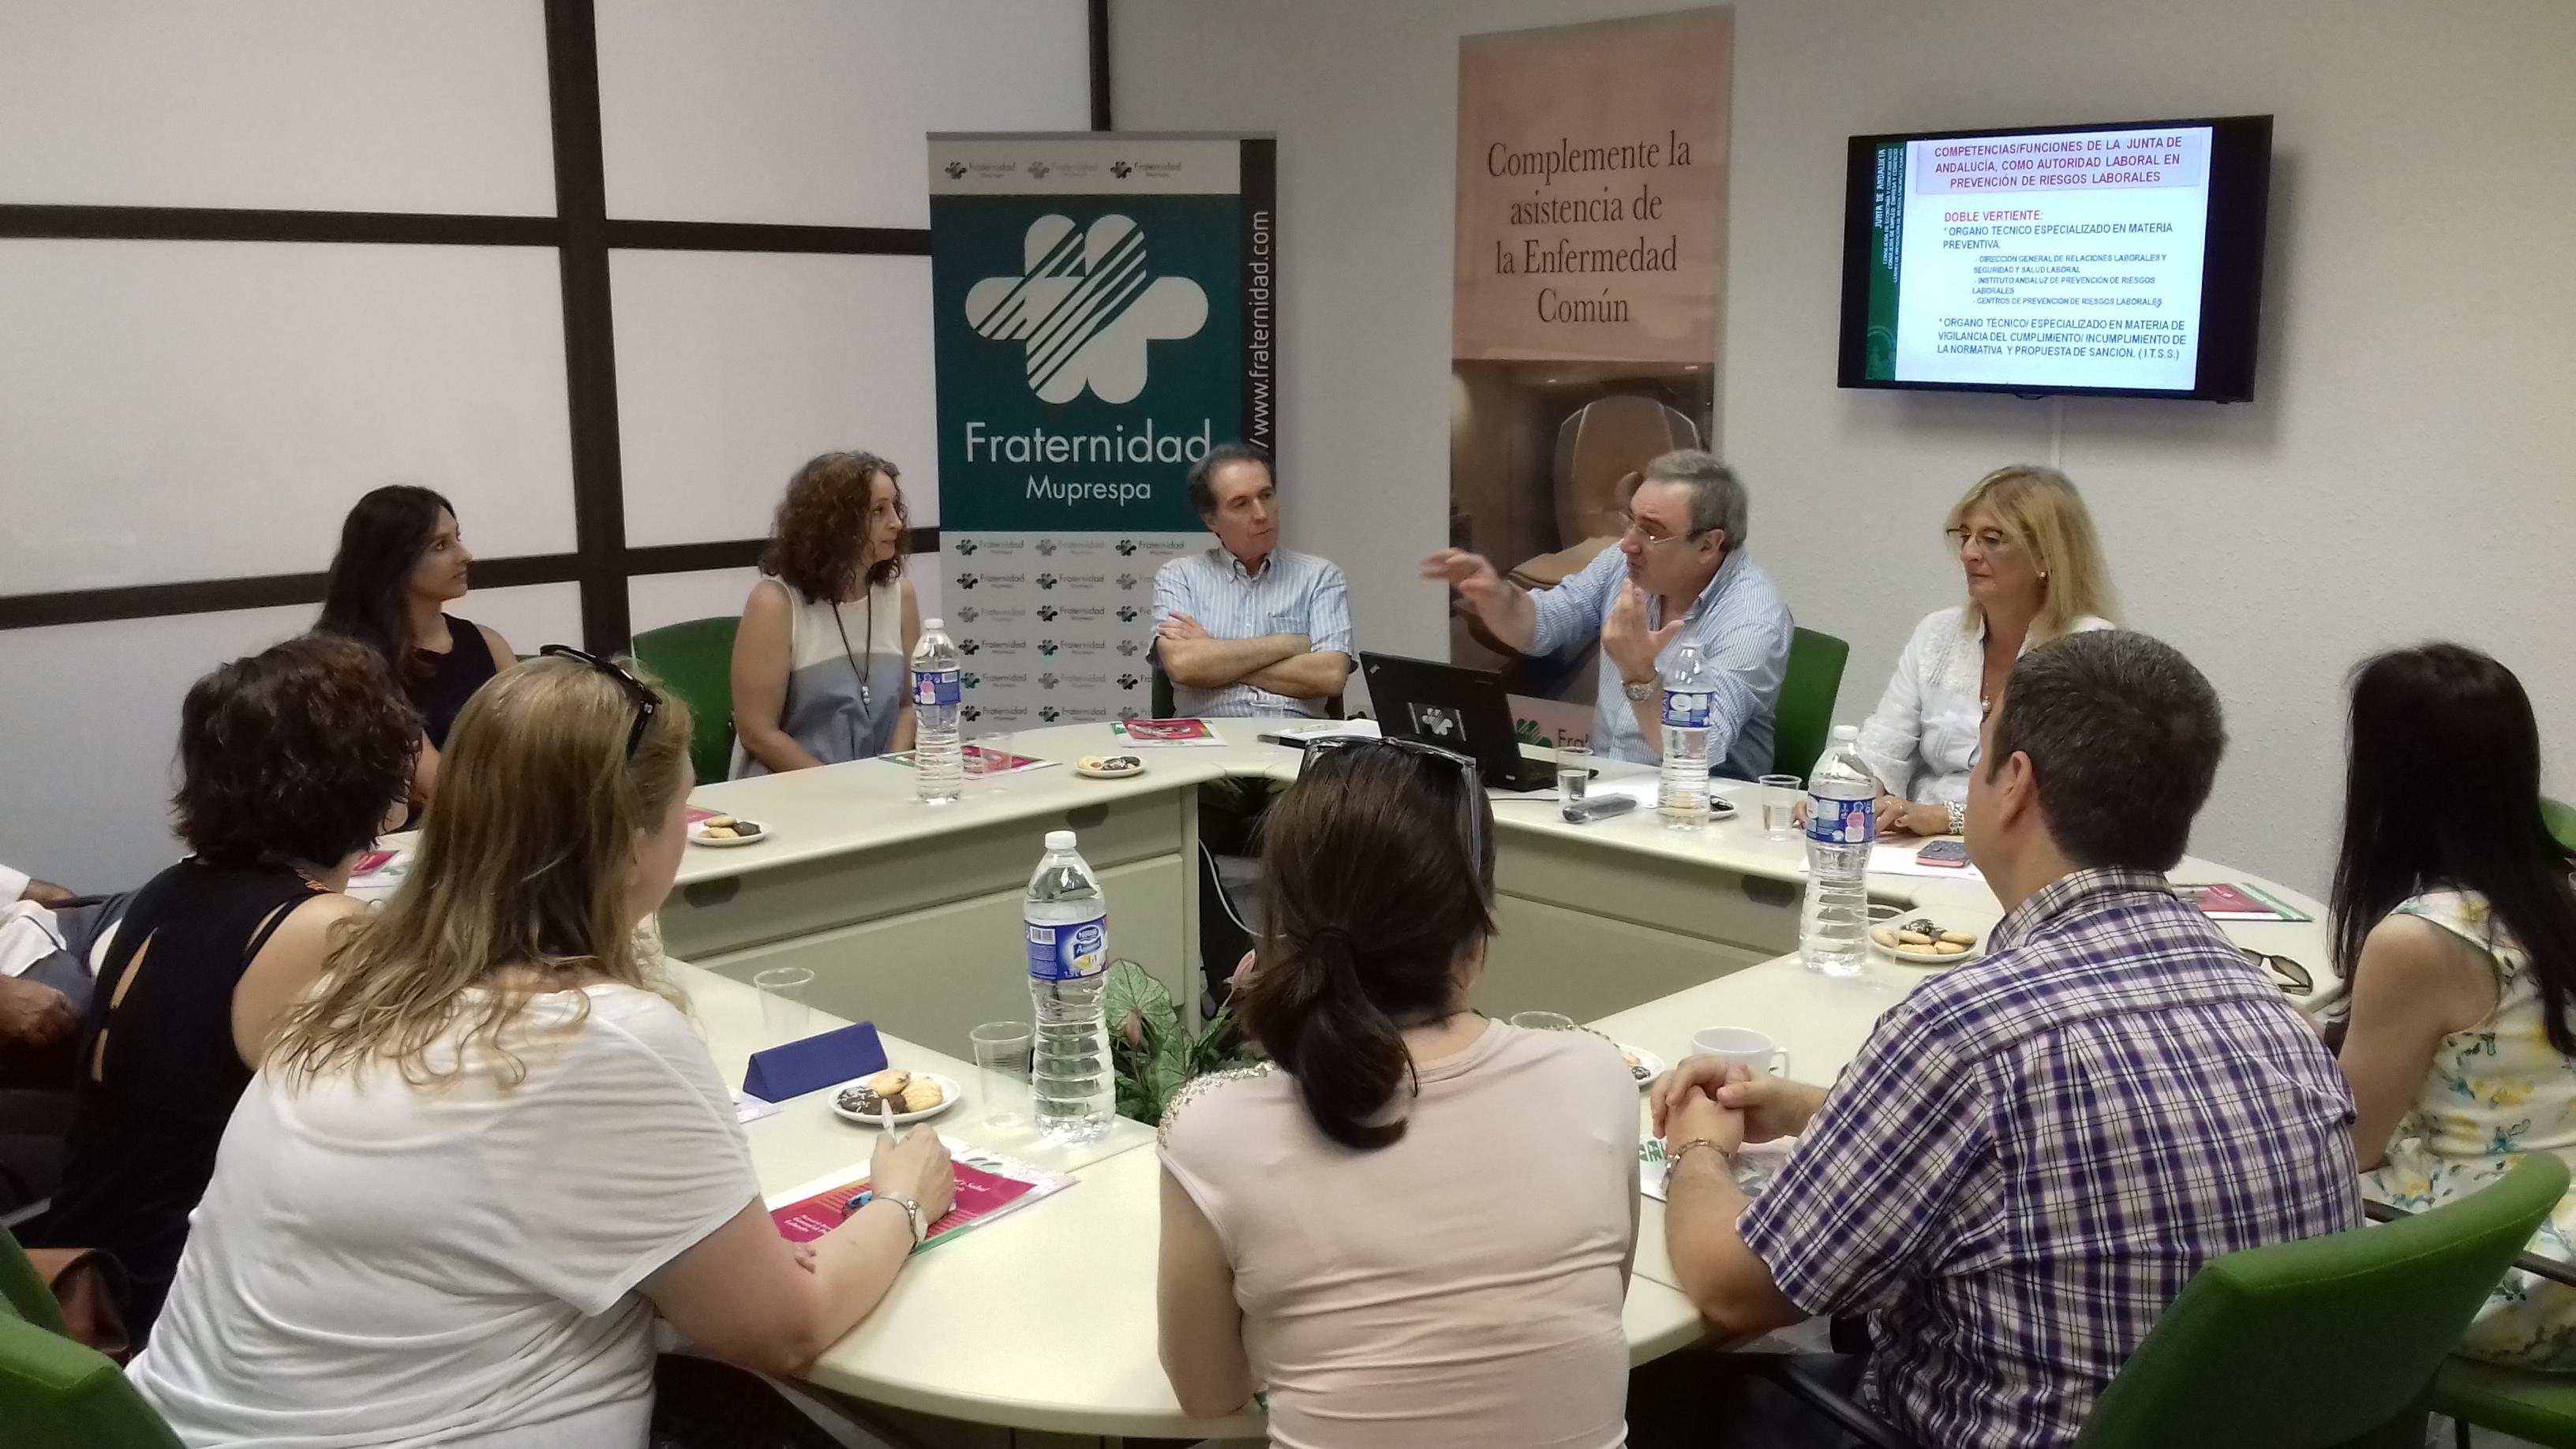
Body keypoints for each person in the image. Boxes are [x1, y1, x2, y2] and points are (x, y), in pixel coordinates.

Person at [130, 652, 957, 1447]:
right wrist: (901, 1203)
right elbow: (783, 1330)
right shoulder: (602, 1039)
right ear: (627, 844)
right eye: (681, 808)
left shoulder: (346, 990)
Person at [1648, 631, 2357, 1447]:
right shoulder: (2276, 1014)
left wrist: (1698, 1147)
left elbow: (1736, 1288)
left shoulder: (1966, 1035)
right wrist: (1815, 1107)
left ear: (2014, 785)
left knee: (1671, 1387)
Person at [1157, 738, 1638, 1447]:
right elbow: (1581, 1321)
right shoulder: (1599, 1079)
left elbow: (1208, 1396)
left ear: (1279, 932)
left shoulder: (1213, 1130)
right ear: (1472, 939)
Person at [28, 635, 416, 1341]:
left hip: (86, 1266)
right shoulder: (321, 929)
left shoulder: (170, 888)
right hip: (177, 1302)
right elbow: (388, 1156)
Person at [2331, 644, 2576, 1368]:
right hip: (2559, 1221)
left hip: (2518, 1273)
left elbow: (2352, 1147)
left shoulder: (2422, 939)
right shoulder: (2558, 886)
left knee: (2248, 1206)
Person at [1422, 450, 1792, 777]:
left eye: (1652, 532)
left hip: (1703, 807)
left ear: (1709, 545)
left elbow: (1697, 752)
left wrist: (1639, 674)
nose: (1628, 543)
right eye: (1631, 520)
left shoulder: (1752, 618)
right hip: (1607, 786)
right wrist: (1497, 595)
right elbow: (1544, 625)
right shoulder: (1622, 564)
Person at [1855, 465, 2117, 835]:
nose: (1968, 553)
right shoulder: (1937, 635)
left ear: (2047, 556)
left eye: (1992, 539)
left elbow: (2072, 799)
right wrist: (1839, 793)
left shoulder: (2089, 648)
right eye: (1965, 536)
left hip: (2025, 854)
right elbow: (1880, 753)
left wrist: (1949, 818)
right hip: (1915, 845)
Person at [315, 484, 517, 811]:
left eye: (458, 538)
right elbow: (431, 785)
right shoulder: (349, 665)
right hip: (418, 831)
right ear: (392, 560)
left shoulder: (488, 643)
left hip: (504, 816)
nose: (465, 555)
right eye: (440, 545)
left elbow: (535, 746)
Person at [732, 451, 920, 775]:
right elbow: (757, 733)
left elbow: (909, 705)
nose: (896, 523)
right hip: (793, 789)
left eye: (894, 506)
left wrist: (891, 773)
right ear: (835, 524)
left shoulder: (900, 596)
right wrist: (839, 788)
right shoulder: (774, 603)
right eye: (879, 510)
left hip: (879, 790)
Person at [1151, 444, 1354, 718]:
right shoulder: (1179, 576)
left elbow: (1330, 676)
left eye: (1266, 496)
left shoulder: (1320, 577)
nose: (1261, 514)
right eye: (1241, 504)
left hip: (1296, 737)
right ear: (1211, 520)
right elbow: (1183, 665)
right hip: (1207, 737)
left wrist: (1213, 653)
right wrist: (1288, 645)